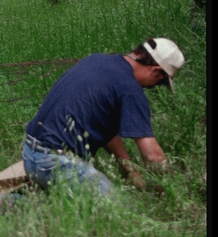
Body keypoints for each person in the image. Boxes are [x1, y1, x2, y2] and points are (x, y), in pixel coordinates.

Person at [21, 37, 185, 197]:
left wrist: (130, 171)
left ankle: (7, 202)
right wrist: (168, 191)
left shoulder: (96, 60)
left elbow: (103, 128)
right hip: (56, 163)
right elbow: (152, 155)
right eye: (160, 83)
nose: (153, 88)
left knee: (61, 205)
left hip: (29, 154)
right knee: (122, 214)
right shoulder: (130, 89)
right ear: (156, 71)